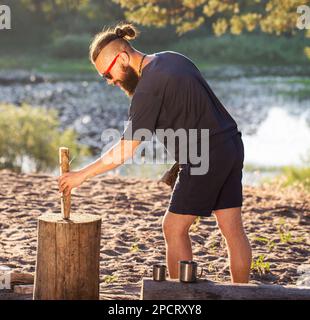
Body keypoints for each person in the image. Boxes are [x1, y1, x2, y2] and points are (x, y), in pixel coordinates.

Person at [58, 23, 252, 283]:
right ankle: (243, 293)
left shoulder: (148, 87)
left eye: (107, 73)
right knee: (232, 229)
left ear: (123, 57)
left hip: (203, 158)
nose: (110, 81)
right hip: (231, 145)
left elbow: (126, 148)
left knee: (173, 228)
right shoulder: (172, 59)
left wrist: (81, 175)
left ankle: (178, 300)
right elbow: (195, 115)